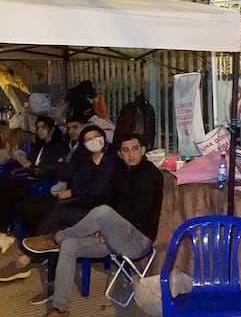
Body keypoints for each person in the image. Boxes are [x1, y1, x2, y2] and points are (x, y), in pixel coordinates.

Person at [22, 133, 164, 316]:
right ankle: (60, 308)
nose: (131, 154)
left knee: (102, 212)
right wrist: (105, 227)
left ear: (143, 150)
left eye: (135, 149)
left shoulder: (151, 174)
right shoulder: (119, 171)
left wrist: (109, 225)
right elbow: (106, 198)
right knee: (70, 245)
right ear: (120, 153)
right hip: (113, 238)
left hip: (137, 240)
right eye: (126, 150)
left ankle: (57, 237)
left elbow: (141, 211)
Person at [0, 124, 117, 282]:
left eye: (96, 137)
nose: (93, 141)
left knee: (56, 216)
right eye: (88, 139)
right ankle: (36, 253)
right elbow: (68, 175)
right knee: (30, 208)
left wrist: (73, 192)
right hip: (77, 201)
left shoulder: (111, 160)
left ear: (103, 137)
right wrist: (72, 164)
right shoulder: (84, 159)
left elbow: (97, 188)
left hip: (96, 208)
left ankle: (26, 259)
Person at [0, 115, 68, 252]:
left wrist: (27, 165)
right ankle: (2, 233)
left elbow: (45, 171)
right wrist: (24, 161)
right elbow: (32, 165)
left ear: (52, 129)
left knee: (4, 185)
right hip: (30, 178)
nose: (40, 131)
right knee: (3, 188)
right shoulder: (38, 146)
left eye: (43, 127)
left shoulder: (59, 148)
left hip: (41, 183)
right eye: (37, 128)